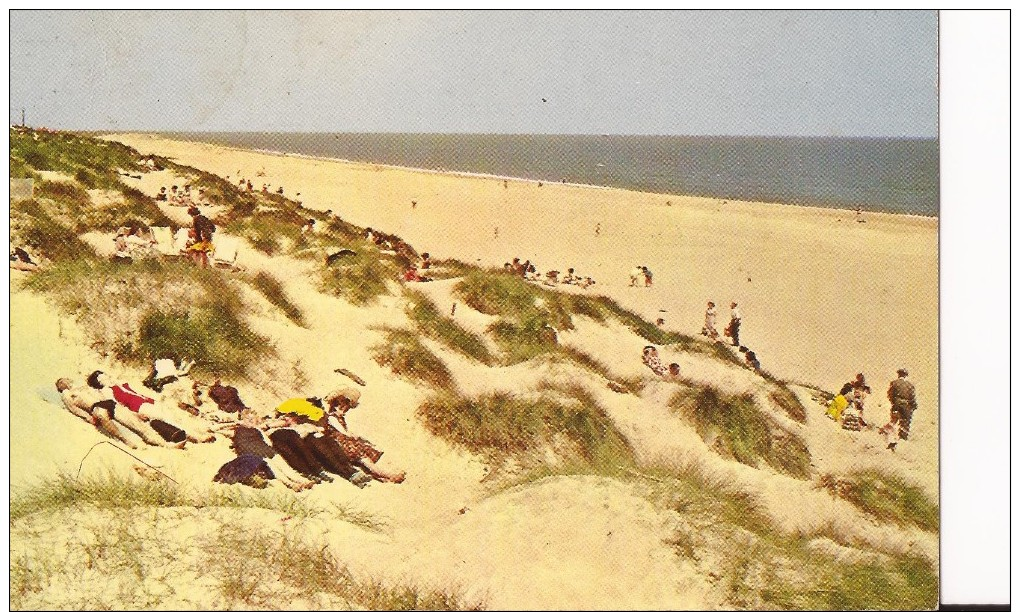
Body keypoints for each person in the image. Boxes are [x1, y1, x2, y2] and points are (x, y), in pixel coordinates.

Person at [87, 370, 215, 444]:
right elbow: (117, 405)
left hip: (146, 401)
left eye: (105, 375)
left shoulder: (119, 384)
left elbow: (136, 392)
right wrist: (135, 414)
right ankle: (196, 437)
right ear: (99, 383)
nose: (107, 378)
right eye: (102, 378)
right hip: (138, 406)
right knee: (169, 419)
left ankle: (196, 434)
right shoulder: (107, 390)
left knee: (173, 417)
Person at [66, 376, 181, 448]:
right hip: (95, 407)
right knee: (101, 414)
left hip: (110, 403)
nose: (65, 381)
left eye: (65, 379)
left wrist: (134, 413)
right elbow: (74, 409)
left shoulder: (85, 387)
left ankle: (164, 444)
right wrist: (87, 417)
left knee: (137, 424)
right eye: (61, 382)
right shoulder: (68, 394)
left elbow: (106, 395)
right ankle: (125, 441)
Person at [887, 369, 917, 440]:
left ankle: (890, 438)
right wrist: (913, 406)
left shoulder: (894, 383)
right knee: (905, 424)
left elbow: (890, 394)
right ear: (906, 376)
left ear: (898, 375)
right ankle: (902, 440)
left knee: (894, 421)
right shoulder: (910, 385)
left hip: (896, 405)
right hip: (906, 406)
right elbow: (912, 398)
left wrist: (894, 402)